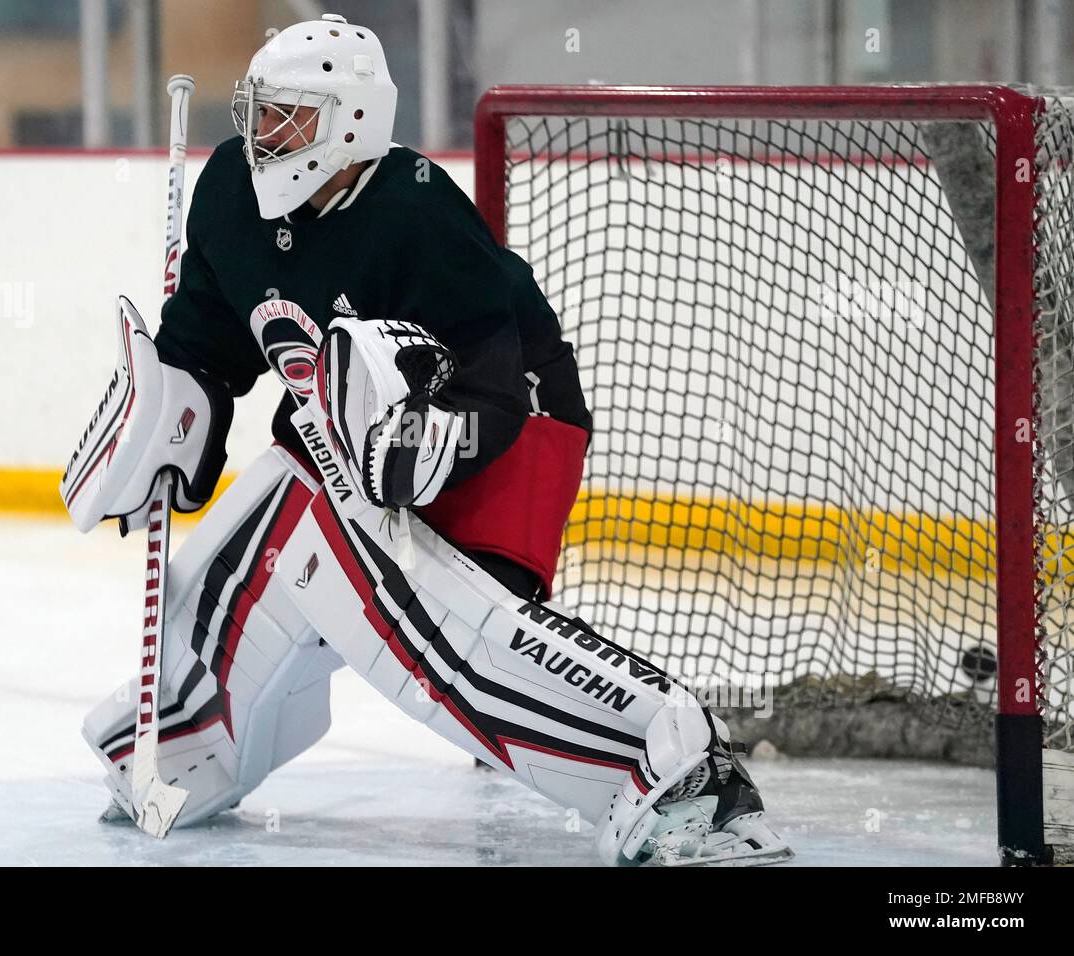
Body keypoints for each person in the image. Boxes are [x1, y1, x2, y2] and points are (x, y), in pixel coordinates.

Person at [60, 13, 790, 866]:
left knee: (434, 638)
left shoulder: (416, 210)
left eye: (285, 114)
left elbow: (493, 378)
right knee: (250, 542)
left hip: (509, 421)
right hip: (347, 436)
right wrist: (175, 422)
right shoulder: (229, 191)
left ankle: (684, 778)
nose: (262, 136)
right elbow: (206, 342)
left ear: (351, 122)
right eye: (256, 111)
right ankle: (187, 741)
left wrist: (409, 464)